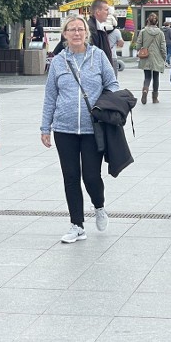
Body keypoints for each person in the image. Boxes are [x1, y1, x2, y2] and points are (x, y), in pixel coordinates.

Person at [41, 14, 118, 243]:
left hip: (92, 128)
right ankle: (77, 224)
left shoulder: (99, 56)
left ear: (86, 33)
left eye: (80, 29)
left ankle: (99, 206)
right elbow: (50, 96)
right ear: (64, 34)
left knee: (92, 176)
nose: (76, 33)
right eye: (71, 29)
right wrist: (45, 127)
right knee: (71, 176)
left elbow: (112, 83)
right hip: (64, 128)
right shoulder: (58, 61)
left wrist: (106, 104)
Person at [136, 13, 167, 105]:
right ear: (157, 22)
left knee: (147, 77)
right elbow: (163, 47)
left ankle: (145, 90)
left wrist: (141, 49)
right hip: (157, 57)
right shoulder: (160, 33)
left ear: (147, 21)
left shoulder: (143, 31)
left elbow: (138, 45)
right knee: (156, 77)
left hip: (146, 57)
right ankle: (155, 98)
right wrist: (164, 57)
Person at [87, 0, 114, 65]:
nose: (108, 13)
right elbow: (93, 53)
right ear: (98, 12)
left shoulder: (100, 27)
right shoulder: (91, 28)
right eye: (106, 10)